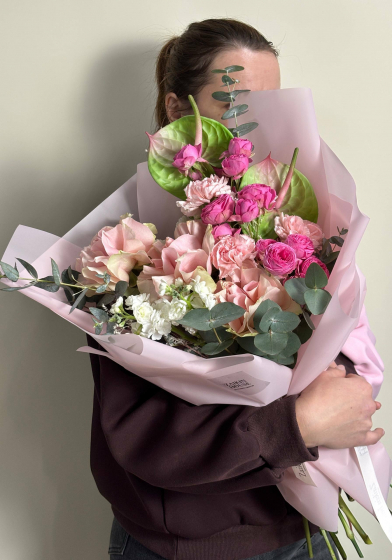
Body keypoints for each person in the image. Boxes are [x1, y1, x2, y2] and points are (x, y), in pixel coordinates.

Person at [86, 18, 385, 560]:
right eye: (235, 103)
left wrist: (342, 388)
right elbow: (142, 434)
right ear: (176, 109)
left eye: (272, 104)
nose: (255, 126)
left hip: (304, 527)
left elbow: (327, 339)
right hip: (188, 545)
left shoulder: (293, 220)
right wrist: (296, 425)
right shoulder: (126, 246)